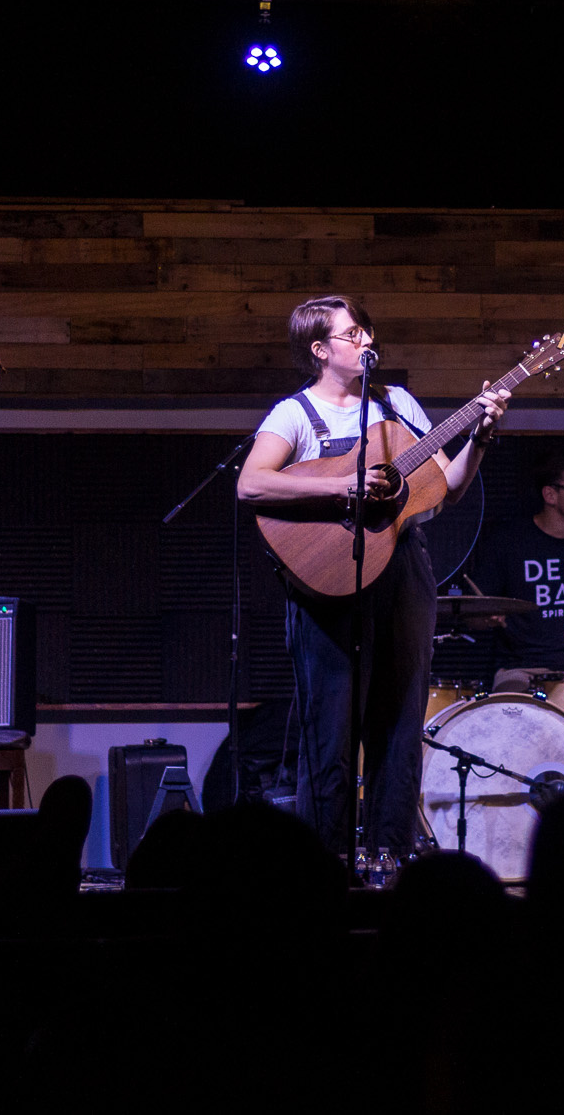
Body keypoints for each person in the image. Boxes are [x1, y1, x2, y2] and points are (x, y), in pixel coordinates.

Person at [236, 295, 506, 860]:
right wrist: (342, 487)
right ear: (319, 349)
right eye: (351, 333)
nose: (366, 340)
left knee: (402, 723)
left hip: (403, 567)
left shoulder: (396, 403)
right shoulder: (295, 414)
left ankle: (391, 860)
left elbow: (445, 487)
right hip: (326, 578)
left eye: (366, 330)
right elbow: (252, 484)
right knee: (330, 733)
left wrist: (479, 435)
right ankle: (323, 866)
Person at [463, 445, 564, 685]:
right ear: (550, 495)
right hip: (520, 669)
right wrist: (486, 617)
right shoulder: (508, 542)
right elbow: (471, 616)